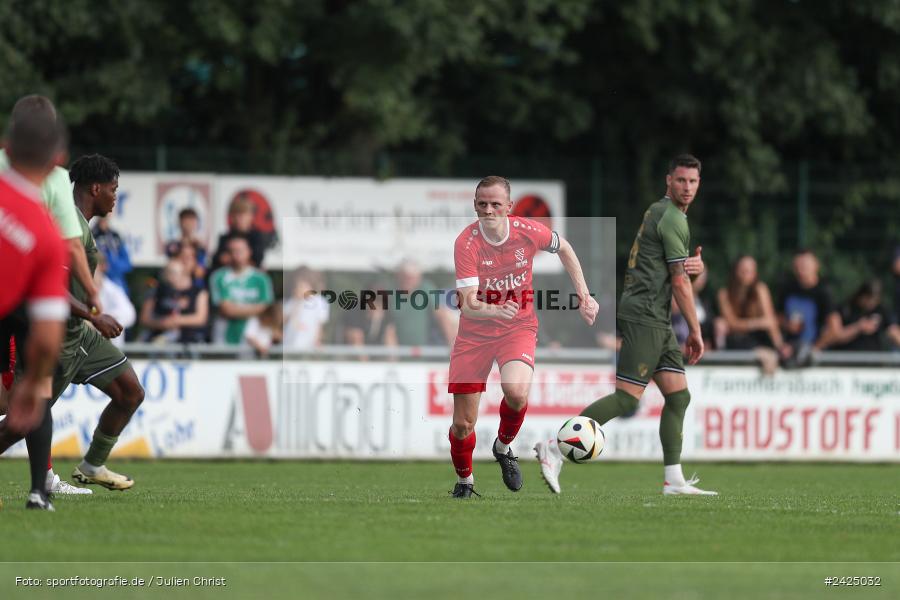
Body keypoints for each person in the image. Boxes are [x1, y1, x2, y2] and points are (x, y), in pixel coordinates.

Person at [535, 154, 716, 496]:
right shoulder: (673, 218)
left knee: (678, 396)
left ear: (699, 184)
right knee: (627, 398)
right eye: (681, 180)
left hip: (654, 316)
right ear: (668, 181)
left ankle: (673, 480)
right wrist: (695, 330)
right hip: (646, 314)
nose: (687, 187)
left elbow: (674, 270)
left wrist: (692, 267)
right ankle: (554, 449)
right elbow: (679, 283)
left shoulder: (661, 213)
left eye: (692, 181)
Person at [0, 154, 146, 495]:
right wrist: (95, 314)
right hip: (56, 338)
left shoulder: (78, 223)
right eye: (113, 189)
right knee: (22, 423)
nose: (115, 196)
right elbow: (49, 290)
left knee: (130, 392)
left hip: (80, 335)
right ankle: (44, 486)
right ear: (95, 188)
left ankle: (92, 465)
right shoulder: (67, 227)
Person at [447, 176, 598, 498]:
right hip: (474, 334)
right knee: (463, 425)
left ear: (509, 207)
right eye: (482, 204)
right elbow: (469, 304)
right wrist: (493, 310)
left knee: (516, 392)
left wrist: (584, 296)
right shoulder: (467, 243)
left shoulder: (528, 231)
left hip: (517, 326)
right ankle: (465, 482)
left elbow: (565, 248)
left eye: (495, 204)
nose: (488, 210)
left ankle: (503, 448)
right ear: (475, 206)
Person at [0, 95, 71, 509]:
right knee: (38, 390)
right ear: (57, 159)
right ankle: (37, 491)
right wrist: (32, 383)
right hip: (20, 307)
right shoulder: (46, 235)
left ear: (8, 146)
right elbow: (46, 340)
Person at [716, 255, 792, 372]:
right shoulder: (724, 294)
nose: (747, 273)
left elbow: (770, 322)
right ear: (735, 271)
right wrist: (758, 323)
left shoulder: (760, 289)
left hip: (757, 338)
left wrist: (780, 346)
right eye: (743, 269)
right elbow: (732, 324)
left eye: (751, 270)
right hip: (736, 340)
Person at [209, 235, 274, 345]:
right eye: (233, 251)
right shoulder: (218, 277)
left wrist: (235, 308)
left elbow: (265, 308)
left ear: (249, 251)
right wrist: (253, 309)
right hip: (224, 339)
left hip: (253, 340)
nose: (237, 254)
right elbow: (225, 309)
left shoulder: (261, 279)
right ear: (227, 254)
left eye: (240, 250)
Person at [779, 249, 839, 357]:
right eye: (798, 265)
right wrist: (787, 325)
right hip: (788, 350)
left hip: (815, 353)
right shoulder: (787, 289)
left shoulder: (824, 292)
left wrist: (813, 349)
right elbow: (777, 318)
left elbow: (834, 327)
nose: (801, 269)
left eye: (805, 265)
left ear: (816, 265)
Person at [139, 258, 209, 343]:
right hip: (160, 339)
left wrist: (176, 320)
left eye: (175, 273)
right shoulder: (156, 291)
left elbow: (201, 319)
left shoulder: (197, 292)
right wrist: (162, 323)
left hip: (189, 340)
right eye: (168, 272)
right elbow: (145, 318)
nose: (170, 276)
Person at [829, 280, 900, 351]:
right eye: (869, 298)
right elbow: (835, 337)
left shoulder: (881, 310)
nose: (872, 303)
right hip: (846, 357)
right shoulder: (845, 309)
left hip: (872, 358)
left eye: (875, 300)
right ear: (862, 295)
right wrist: (858, 327)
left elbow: (893, 331)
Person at [210, 199, 267, 271]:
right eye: (235, 215)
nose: (238, 219)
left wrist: (235, 260)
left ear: (251, 217)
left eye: (242, 215)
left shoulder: (256, 237)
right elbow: (217, 259)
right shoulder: (225, 238)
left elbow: (257, 259)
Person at [95, 253, 136, 349]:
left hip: (110, 353)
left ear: (102, 267)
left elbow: (130, 315)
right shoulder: (74, 290)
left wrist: (97, 321)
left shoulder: (114, 291)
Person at [282, 266, 329, 351]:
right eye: (298, 285)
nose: (300, 288)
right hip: (290, 346)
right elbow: (285, 321)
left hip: (309, 347)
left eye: (303, 285)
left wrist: (317, 341)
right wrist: (297, 302)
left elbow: (320, 325)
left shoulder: (319, 301)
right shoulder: (291, 302)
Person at [93, 215, 132, 293]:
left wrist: (114, 266)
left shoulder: (115, 236)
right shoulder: (92, 235)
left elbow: (127, 263)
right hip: (100, 279)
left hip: (117, 279)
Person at [164, 207, 208, 275]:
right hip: (177, 278)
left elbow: (201, 264)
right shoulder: (172, 245)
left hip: (196, 281)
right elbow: (171, 258)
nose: (189, 224)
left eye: (192, 221)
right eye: (186, 221)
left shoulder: (200, 246)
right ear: (180, 222)